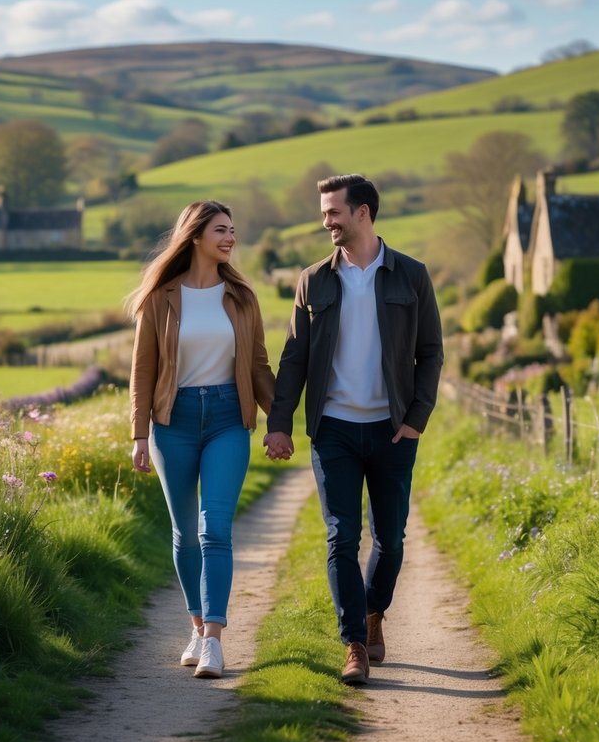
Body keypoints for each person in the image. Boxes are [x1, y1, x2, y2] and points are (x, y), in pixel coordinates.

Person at [263, 174, 443, 685]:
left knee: (390, 538)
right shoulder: (313, 279)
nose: (326, 221)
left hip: (392, 430)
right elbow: (293, 359)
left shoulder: (411, 276)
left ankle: (373, 612)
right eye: (324, 212)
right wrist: (280, 424)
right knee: (342, 536)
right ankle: (354, 645)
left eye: (333, 212)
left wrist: (416, 420)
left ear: (363, 212)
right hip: (334, 429)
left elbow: (430, 352)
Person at [128, 200, 275, 679]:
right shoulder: (162, 298)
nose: (230, 238)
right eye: (221, 230)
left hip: (229, 419)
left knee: (215, 529)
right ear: (194, 236)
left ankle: (213, 639)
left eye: (233, 230)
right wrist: (138, 435)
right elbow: (143, 372)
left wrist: (281, 421)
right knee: (184, 533)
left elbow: (258, 367)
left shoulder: (242, 296)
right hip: (174, 421)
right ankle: (195, 625)